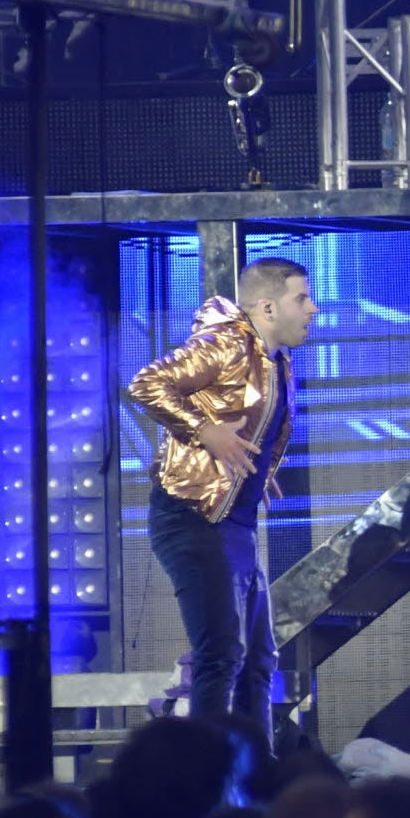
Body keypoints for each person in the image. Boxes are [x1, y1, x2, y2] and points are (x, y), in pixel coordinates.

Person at [124, 257, 320, 733]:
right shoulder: (228, 343)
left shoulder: (278, 361)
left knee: (258, 659)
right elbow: (147, 383)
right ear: (268, 307)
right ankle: (209, 775)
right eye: (303, 298)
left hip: (234, 521)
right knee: (220, 654)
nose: (313, 309)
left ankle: (255, 774)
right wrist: (204, 431)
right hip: (192, 518)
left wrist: (258, 471)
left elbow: (260, 421)